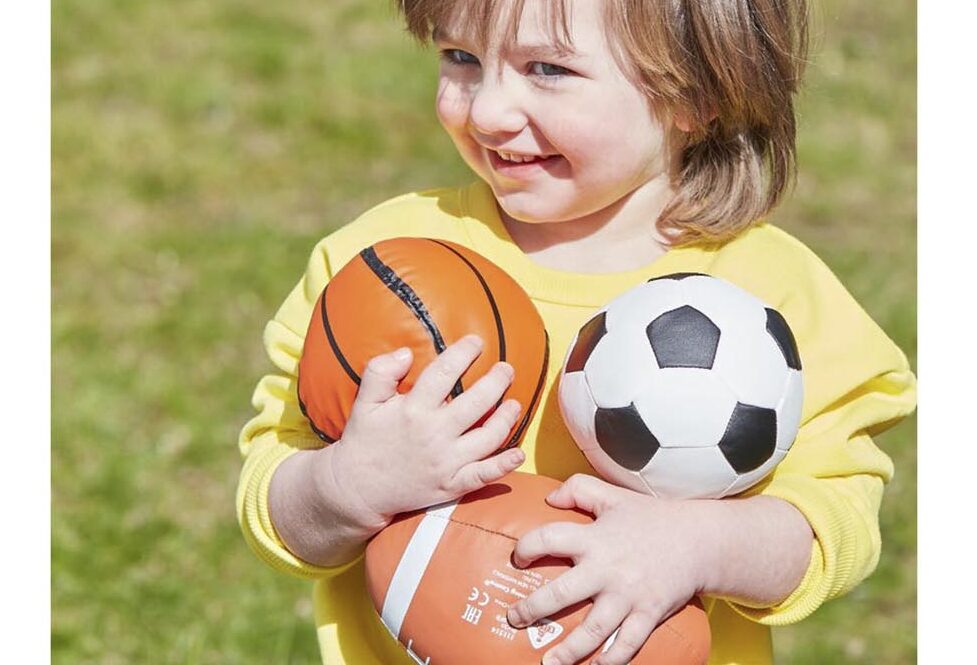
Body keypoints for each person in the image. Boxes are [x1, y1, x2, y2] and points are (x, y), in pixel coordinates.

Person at [236, 1, 917, 663]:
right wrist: (344, 487)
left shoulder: (776, 296)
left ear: (698, 90)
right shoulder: (378, 268)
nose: (486, 111)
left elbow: (835, 523)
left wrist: (700, 543)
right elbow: (274, 491)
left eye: (547, 69)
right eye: (460, 57)